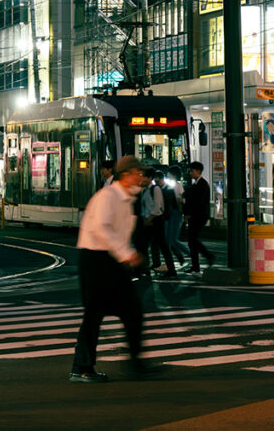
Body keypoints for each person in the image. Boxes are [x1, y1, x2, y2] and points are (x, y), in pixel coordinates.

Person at [70, 156, 154, 383]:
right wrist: (127, 254)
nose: (141, 178)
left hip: (113, 262)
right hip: (95, 260)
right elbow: (102, 230)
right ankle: (81, 367)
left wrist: (126, 255)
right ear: (126, 175)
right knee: (94, 315)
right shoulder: (107, 197)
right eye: (138, 173)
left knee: (132, 311)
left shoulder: (127, 199)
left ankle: (136, 364)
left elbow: (119, 233)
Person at [183, 161, 215, 274]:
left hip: (199, 215)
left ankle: (207, 256)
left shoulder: (202, 185)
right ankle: (196, 265)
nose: (190, 173)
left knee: (192, 240)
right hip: (196, 215)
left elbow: (198, 201)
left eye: (192, 171)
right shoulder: (196, 184)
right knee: (192, 241)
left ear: (198, 171)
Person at [147, 170, 177, 278]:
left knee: (164, 244)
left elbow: (164, 205)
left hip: (162, 218)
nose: (157, 182)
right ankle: (158, 263)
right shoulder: (155, 188)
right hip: (160, 218)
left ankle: (170, 267)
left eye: (158, 180)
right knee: (157, 243)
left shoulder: (165, 189)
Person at [164, 166, 189, 266]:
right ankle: (172, 261)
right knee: (170, 240)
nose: (167, 174)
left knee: (172, 240)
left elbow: (184, 199)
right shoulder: (170, 184)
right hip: (171, 213)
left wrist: (181, 199)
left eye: (169, 173)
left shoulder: (178, 185)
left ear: (173, 174)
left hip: (176, 213)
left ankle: (190, 253)